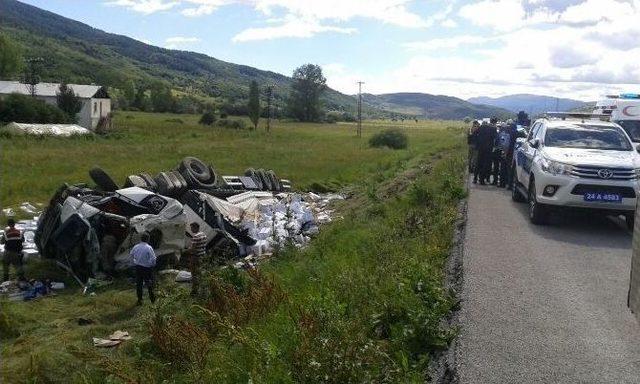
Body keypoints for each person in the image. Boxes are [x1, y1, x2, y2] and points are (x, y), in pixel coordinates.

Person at [130, 232, 156, 305]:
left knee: (139, 284)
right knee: (149, 284)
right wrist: (151, 265)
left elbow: (131, 255)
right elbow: (153, 259)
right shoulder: (148, 247)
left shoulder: (136, 246)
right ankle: (152, 300)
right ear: (148, 239)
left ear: (141, 239)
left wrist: (134, 263)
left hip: (138, 267)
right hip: (147, 268)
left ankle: (140, 300)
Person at [474, 118, 498, 185]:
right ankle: (482, 180)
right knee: (485, 164)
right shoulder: (493, 129)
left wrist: (477, 143)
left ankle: (475, 178)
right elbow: (496, 138)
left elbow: (475, 133)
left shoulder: (482, 127)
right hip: (488, 149)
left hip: (481, 148)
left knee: (478, 163)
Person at [188, 222, 207, 297]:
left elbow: (192, 249)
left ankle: (194, 291)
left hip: (195, 257)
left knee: (194, 274)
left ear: (195, 228)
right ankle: (203, 289)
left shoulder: (196, 237)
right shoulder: (203, 234)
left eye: (192, 228)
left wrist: (185, 250)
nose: (191, 230)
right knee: (200, 273)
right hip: (202, 255)